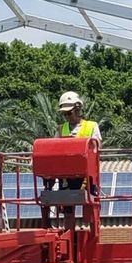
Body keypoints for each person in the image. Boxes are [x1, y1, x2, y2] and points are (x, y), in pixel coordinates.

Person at [41, 92, 103, 226]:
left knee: (91, 208)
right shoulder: (61, 129)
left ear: (78, 109)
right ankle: (70, 236)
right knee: (68, 211)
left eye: (69, 113)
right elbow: (54, 150)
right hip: (66, 177)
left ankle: (92, 237)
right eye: (65, 114)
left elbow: (97, 147)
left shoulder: (92, 126)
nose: (67, 116)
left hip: (87, 177)